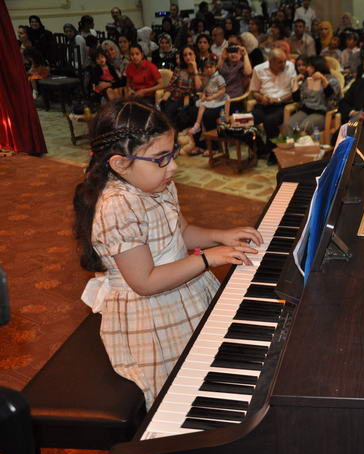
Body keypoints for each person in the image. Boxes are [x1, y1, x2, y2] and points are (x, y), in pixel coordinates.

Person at [73, 98, 262, 409]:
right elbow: (145, 282)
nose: (173, 166)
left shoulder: (158, 184)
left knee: (214, 358)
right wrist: (208, 258)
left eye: (172, 153)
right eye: (161, 158)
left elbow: (180, 233)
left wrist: (219, 236)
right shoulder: (119, 205)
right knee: (184, 389)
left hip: (182, 285)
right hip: (151, 313)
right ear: (120, 163)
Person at [249, 48, 297, 157]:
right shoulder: (258, 69)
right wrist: (261, 98)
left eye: (284, 61)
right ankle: (261, 148)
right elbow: (254, 92)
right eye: (280, 62)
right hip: (264, 104)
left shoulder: (290, 67)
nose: (284, 64)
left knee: (270, 121)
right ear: (270, 62)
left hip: (283, 104)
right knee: (247, 121)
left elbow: (293, 92)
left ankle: (273, 153)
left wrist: (278, 99)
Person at [285, 55, 342, 135]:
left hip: (322, 113)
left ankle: (302, 143)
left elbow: (332, 99)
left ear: (317, 67)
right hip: (306, 110)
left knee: (304, 127)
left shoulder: (332, 80)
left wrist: (323, 80)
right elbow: (297, 99)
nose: (307, 69)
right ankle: (291, 143)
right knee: (288, 125)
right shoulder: (309, 79)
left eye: (310, 67)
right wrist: (295, 82)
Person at [159, 45, 203, 129]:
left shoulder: (199, 69)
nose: (188, 57)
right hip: (176, 97)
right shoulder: (178, 69)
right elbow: (171, 86)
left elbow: (198, 88)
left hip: (189, 99)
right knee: (166, 111)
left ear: (195, 55)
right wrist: (163, 99)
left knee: (184, 114)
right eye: (185, 55)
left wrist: (195, 68)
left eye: (190, 54)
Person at [219, 44, 252, 113]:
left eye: (236, 52)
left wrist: (245, 55)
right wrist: (222, 57)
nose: (233, 54)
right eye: (231, 52)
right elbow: (215, 72)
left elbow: (248, 72)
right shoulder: (224, 63)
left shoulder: (241, 65)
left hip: (235, 99)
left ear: (240, 54)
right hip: (220, 98)